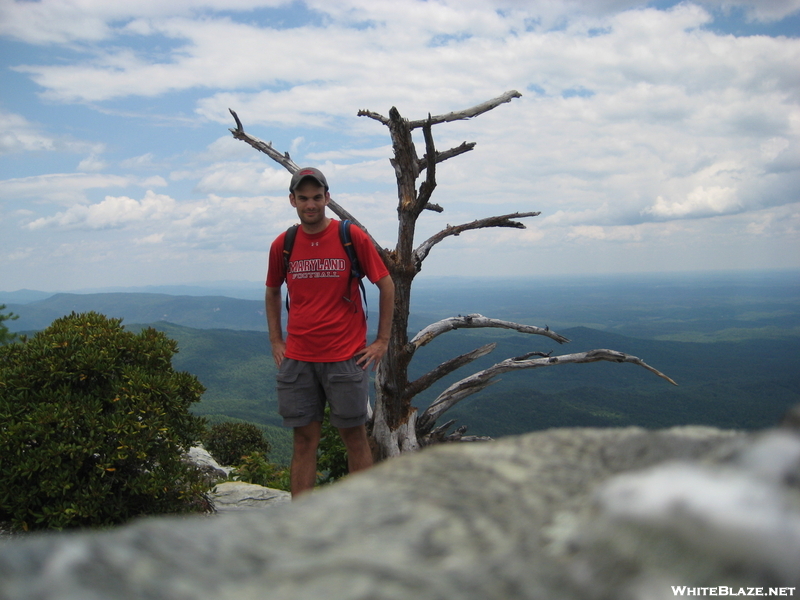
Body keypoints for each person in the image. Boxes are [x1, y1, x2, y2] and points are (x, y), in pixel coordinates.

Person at [265, 167, 395, 497]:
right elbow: (272, 291)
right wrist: (276, 340)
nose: (311, 204)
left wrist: (382, 341)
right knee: (304, 441)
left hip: (344, 358)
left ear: (328, 197)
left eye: (317, 197)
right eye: (304, 198)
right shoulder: (284, 244)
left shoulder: (351, 237)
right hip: (299, 359)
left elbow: (387, 284)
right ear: (292, 200)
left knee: (354, 437)